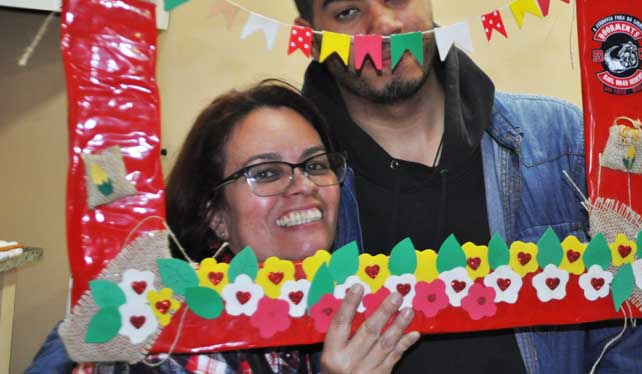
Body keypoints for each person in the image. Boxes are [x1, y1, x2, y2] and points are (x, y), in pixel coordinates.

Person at [286, 0, 642, 373]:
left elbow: (628, 337)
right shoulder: (290, 187)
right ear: (309, 36)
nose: (385, 25)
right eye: (346, 12)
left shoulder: (561, 140)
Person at [28, 80, 419, 374]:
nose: (304, 185)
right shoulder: (169, 341)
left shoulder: (312, 310)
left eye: (316, 165)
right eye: (266, 173)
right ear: (215, 217)